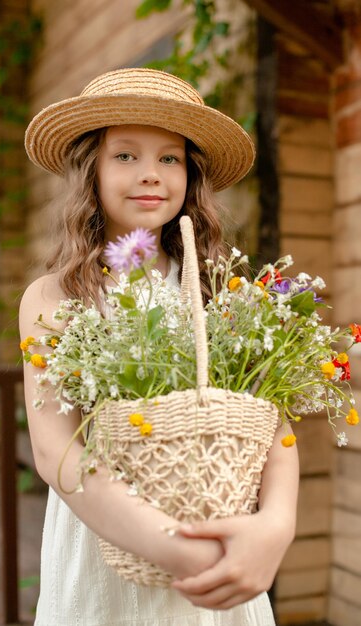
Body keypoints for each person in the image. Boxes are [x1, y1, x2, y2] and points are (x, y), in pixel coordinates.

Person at [20, 67, 299, 625]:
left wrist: (276, 526)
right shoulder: (54, 296)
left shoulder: (221, 287)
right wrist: (173, 547)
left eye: (169, 158)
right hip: (110, 542)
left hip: (221, 530)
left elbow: (274, 422)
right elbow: (56, 451)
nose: (150, 174)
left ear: (189, 177)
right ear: (89, 172)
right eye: (125, 156)